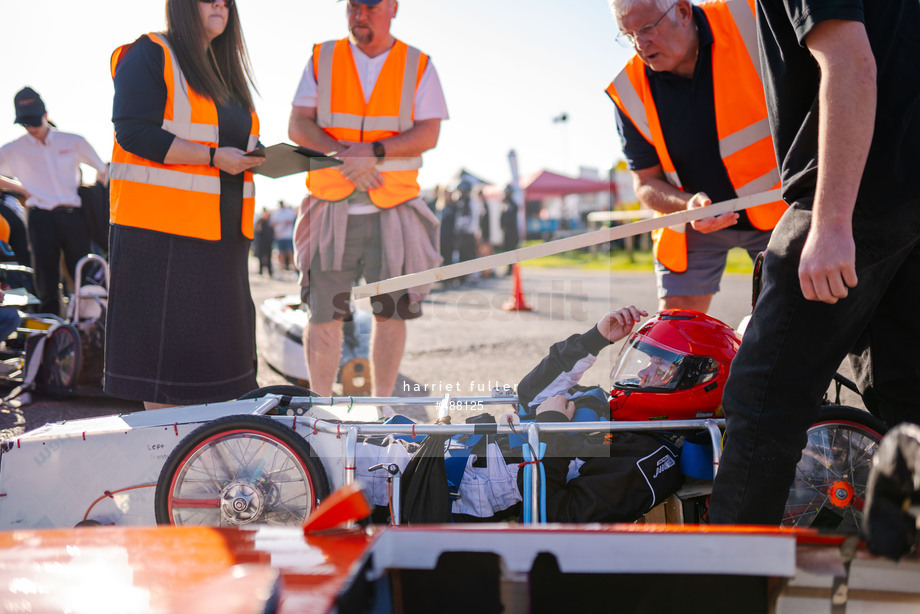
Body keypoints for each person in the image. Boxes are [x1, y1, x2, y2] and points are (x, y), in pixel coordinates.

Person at [708, 0, 920, 525]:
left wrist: (829, 222)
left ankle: (729, 577)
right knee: (903, 392)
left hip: (857, 195)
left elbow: (850, 64)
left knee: (763, 397)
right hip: (904, 188)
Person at [105, 0, 262, 409]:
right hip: (161, 238)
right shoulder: (149, 53)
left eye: (227, 1)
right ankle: (168, 462)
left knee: (219, 372)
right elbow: (132, 131)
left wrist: (256, 155)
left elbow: (222, 138)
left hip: (222, 237)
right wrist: (213, 157)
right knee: (166, 374)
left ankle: (200, 461)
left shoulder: (225, 73)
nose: (221, 4)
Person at [289, 0, 446, 397]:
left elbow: (429, 134)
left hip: (391, 207)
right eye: (352, 5)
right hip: (331, 205)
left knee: (390, 313)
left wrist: (373, 153)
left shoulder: (418, 64)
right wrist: (348, 156)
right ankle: (321, 413)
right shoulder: (322, 57)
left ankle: (381, 410)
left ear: (392, 7)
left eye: (370, 6)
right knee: (324, 313)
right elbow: (297, 123)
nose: (359, 14)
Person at [606, 0, 787, 313]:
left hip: (777, 206)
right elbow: (646, 182)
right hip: (694, 224)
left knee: (791, 318)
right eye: (628, 34)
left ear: (683, 12)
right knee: (677, 328)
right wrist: (687, 206)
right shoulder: (629, 91)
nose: (639, 44)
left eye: (647, 28)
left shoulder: (751, 19)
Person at [515, 305, 686, 522]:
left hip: (473, 502)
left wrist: (550, 429)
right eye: (650, 362)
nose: (642, 372)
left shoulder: (647, 460)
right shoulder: (618, 412)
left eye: (661, 370)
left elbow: (548, 518)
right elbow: (530, 394)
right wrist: (596, 338)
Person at [0, 87, 108, 316]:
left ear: (46, 115)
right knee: (46, 282)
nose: (31, 129)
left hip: (74, 217)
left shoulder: (73, 141)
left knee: (83, 277)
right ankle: (50, 337)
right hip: (40, 218)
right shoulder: (14, 149)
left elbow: (102, 170)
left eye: (34, 122)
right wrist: (19, 188)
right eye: (25, 124)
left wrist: (96, 199)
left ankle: (89, 331)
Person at [499, 184, 519, 275]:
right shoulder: (504, 205)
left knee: (512, 251)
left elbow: (510, 219)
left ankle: (512, 269)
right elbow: (501, 218)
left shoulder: (513, 205)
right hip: (506, 232)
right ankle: (508, 268)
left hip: (512, 232)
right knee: (506, 250)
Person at [270, 200, 296, 272]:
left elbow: (290, 221)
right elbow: (272, 223)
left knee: (291, 253)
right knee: (281, 253)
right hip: (279, 236)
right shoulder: (276, 213)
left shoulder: (289, 212)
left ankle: (293, 269)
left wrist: (281, 225)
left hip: (288, 236)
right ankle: (282, 269)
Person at [254, 209, 274, 277]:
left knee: (269, 257)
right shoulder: (260, 221)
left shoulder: (270, 221)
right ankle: (260, 270)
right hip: (261, 242)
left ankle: (270, 271)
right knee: (261, 257)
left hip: (268, 242)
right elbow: (257, 231)